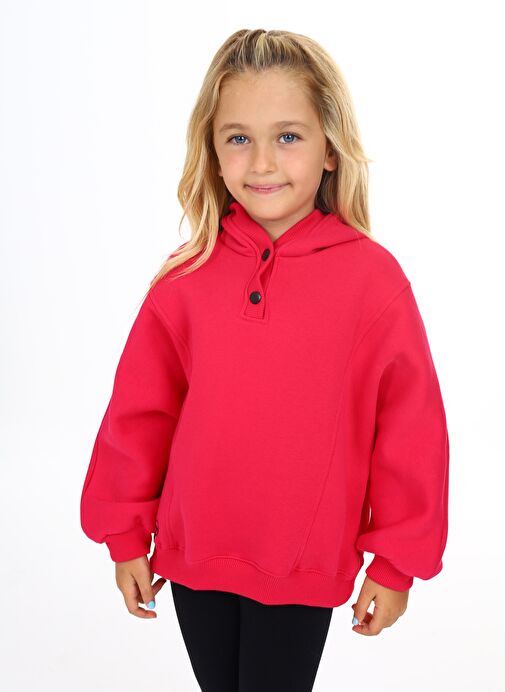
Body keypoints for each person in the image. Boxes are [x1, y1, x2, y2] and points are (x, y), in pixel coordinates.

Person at [80, 28, 450, 692]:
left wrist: (395, 562)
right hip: (193, 558)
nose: (261, 162)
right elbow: (138, 415)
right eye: (238, 138)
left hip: (302, 564)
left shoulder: (374, 283)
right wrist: (126, 536)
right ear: (212, 150)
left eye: (287, 136)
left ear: (330, 148)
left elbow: (409, 433)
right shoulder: (183, 278)